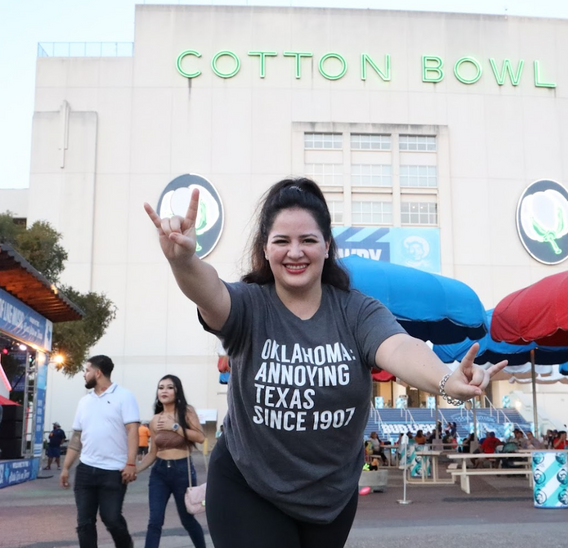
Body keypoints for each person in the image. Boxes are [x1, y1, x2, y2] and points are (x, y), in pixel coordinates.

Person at [144, 178, 507, 548]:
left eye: (308, 240)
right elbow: (210, 291)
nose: (295, 252)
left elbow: (399, 348)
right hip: (247, 484)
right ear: (265, 249)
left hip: (331, 496)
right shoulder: (249, 307)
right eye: (282, 241)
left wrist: (447, 379)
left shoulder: (356, 310)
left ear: (327, 246)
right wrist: (184, 260)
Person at [59, 355, 140, 548]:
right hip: (86, 470)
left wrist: (131, 463)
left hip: (114, 471)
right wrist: (66, 467)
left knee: (111, 519)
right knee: (84, 523)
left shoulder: (124, 396)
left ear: (98, 373)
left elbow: (133, 431)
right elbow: (77, 437)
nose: (84, 375)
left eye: (86, 371)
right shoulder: (84, 402)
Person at [137, 375, 206, 548]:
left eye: (169, 387)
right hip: (159, 472)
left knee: (187, 520)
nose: (164, 391)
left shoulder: (186, 412)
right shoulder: (154, 420)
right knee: (155, 521)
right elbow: (153, 452)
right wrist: (134, 469)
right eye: (161, 388)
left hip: (182, 470)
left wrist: (174, 426)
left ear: (177, 391)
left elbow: (200, 437)